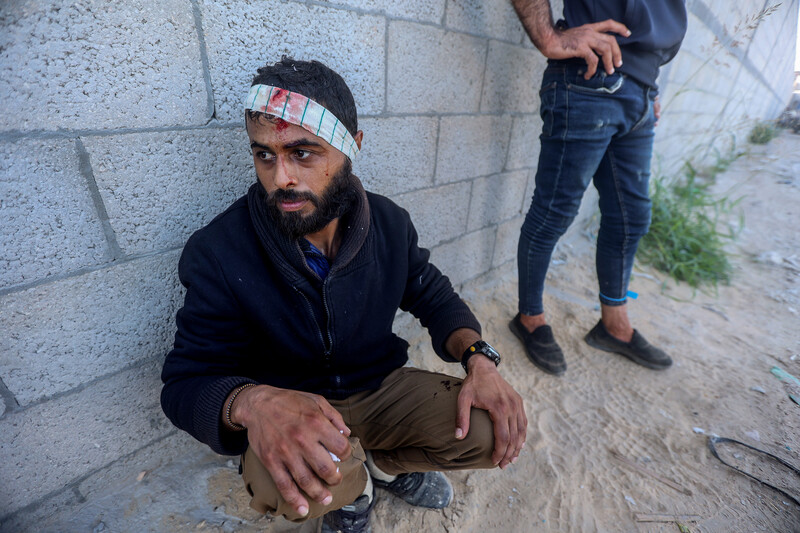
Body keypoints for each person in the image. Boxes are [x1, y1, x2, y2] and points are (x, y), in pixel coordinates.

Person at [160, 57, 527, 533]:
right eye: (264, 155)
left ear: (351, 144)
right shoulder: (217, 251)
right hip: (298, 408)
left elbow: (433, 295)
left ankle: (384, 466)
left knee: (487, 428)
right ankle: (352, 493)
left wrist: (480, 360)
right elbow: (184, 384)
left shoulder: (390, 223)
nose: (281, 178)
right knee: (282, 487)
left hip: (380, 387)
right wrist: (251, 403)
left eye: (303, 153)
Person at [509, 0, 687, 375]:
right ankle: (529, 318)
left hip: (641, 92)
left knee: (632, 216)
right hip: (588, 80)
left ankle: (614, 325)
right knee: (554, 213)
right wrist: (547, 36)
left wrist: (648, 84)